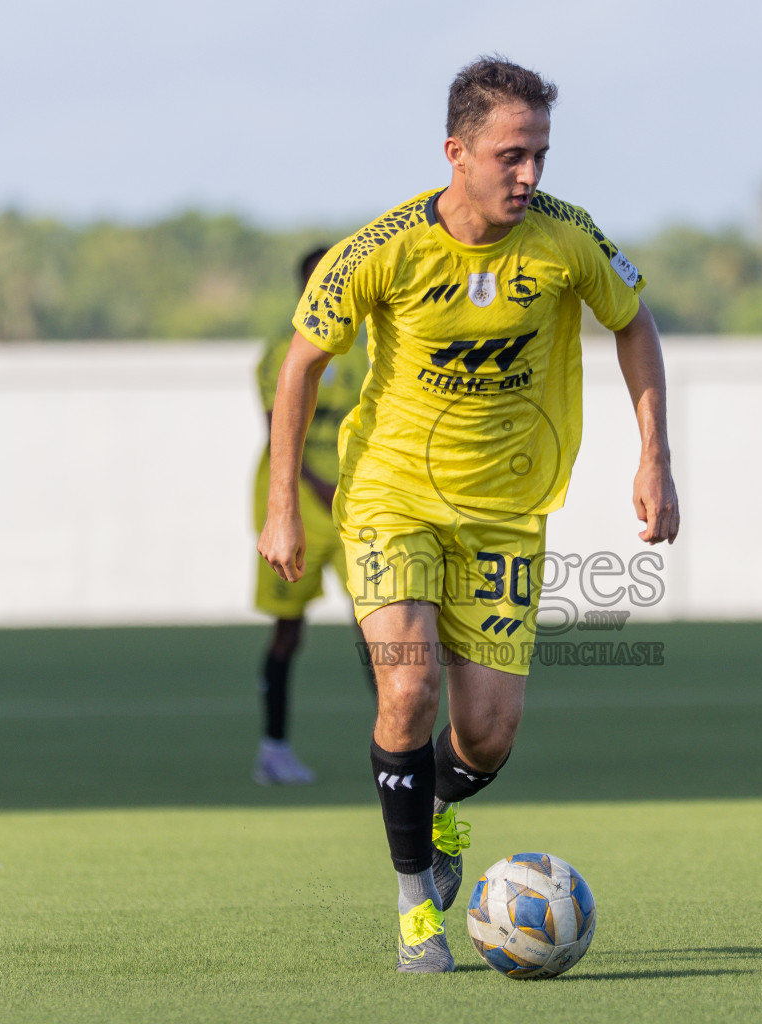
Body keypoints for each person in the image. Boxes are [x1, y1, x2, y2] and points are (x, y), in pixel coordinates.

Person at [257, 56, 679, 973]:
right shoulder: (384, 248)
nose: (529, 174)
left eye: (541, 155)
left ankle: (438, 812)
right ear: (457, 152)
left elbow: (634, 322)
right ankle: (416, 904)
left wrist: (655, 458)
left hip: (503, 516)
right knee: (407, 687)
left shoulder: (566, 239)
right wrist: (281, 506)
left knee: (487, 732)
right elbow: (300, 366)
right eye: (511, 155)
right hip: (392, 501)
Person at [251, 246, 372, 785]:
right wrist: (319, 486)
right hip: (295, 505)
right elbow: (279, 427)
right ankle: (273, 749)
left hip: (359, 506)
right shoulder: (283, 349)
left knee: (381, 631)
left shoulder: (374, 346)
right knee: (288, 632)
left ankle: (399, 753)